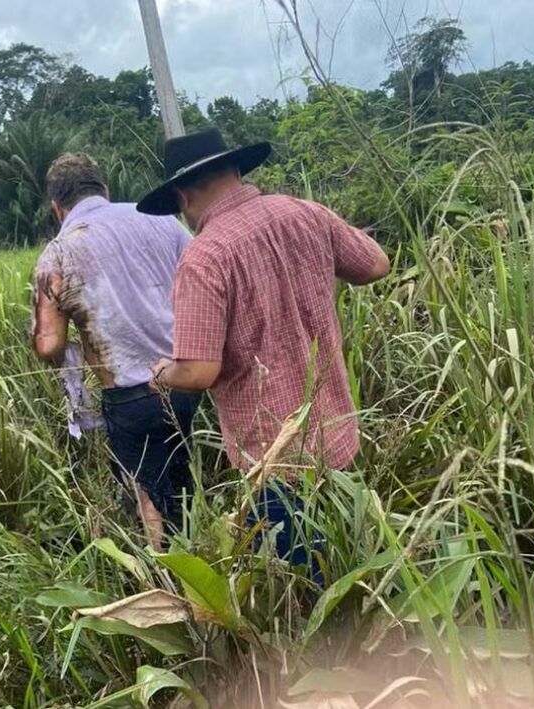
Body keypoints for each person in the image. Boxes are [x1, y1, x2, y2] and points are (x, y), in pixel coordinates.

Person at [139, 127, 390, 573]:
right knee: (352, 570)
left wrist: (161, 373)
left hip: (276, 462)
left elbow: (196, 372)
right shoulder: (306, 213)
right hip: (339, 437)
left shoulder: (204, 258)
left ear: (180, 197)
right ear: (236, 169)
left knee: (302, 588)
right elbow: (376, 264)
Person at [31, 152, 200, 550]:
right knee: (181, 473)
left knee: (149, 496)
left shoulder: (58, 253)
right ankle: (198, 553)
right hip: (188, 378)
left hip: (129, 395)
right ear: (104, 190)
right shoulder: (162, 221)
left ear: (57, 208)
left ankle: (169, 583)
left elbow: (48, 343)